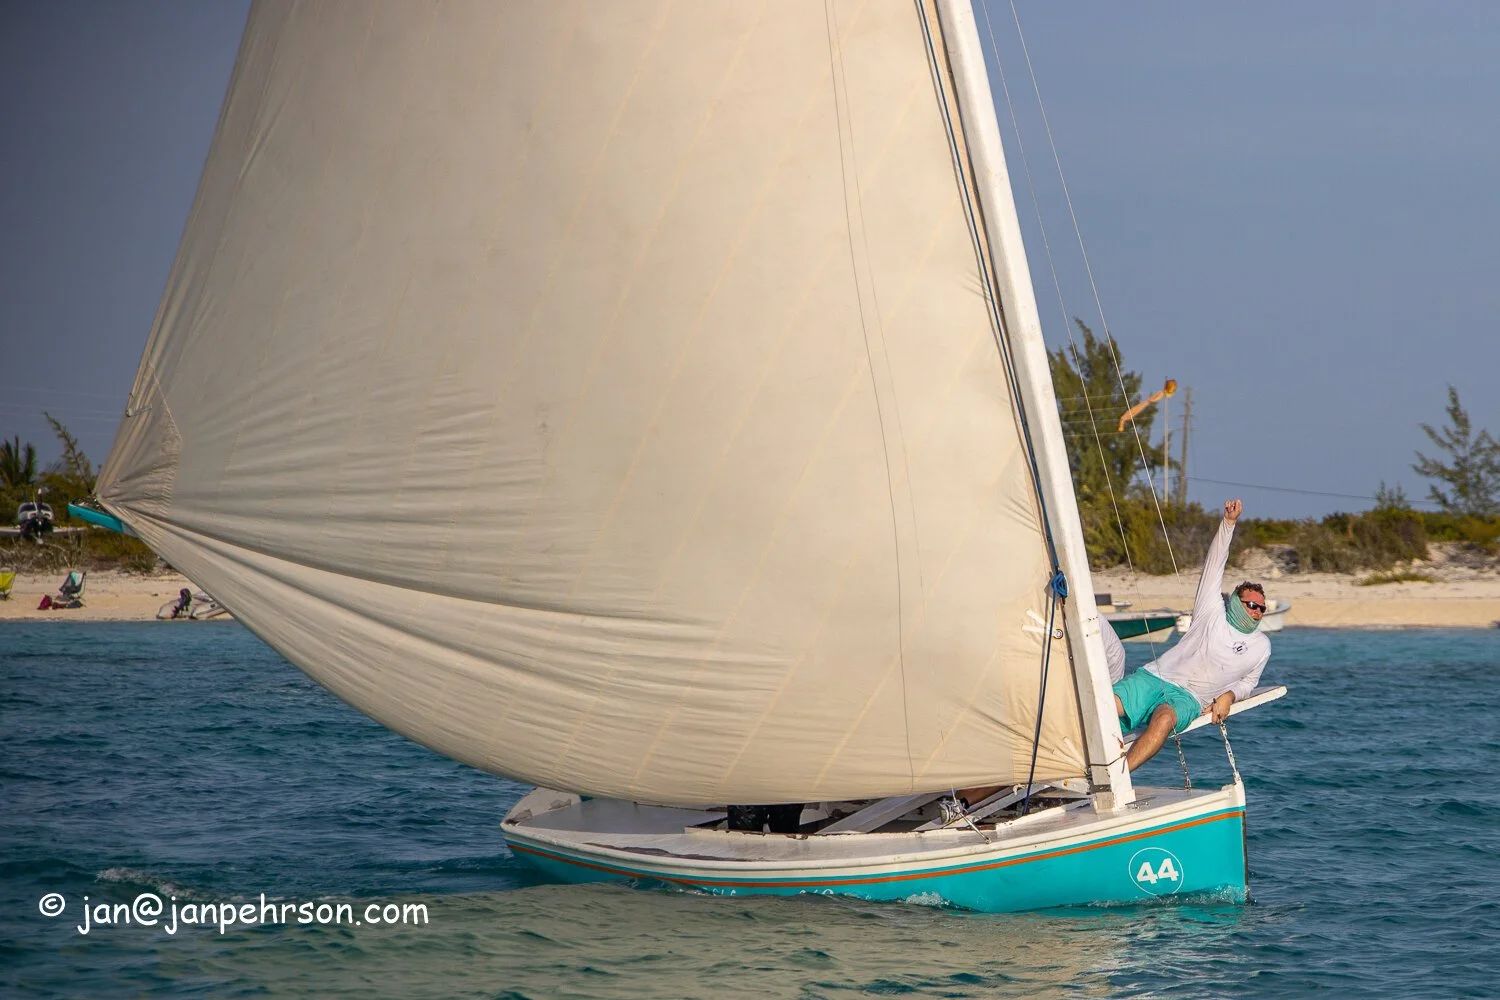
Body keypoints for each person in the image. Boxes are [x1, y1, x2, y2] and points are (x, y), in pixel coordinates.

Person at [1112, 498, 1270, 771]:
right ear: (1236, 601)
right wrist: (1228, 524)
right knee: (1104, 705)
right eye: (1252, 605)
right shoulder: (1211, 611)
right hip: (1156, 676)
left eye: (1262, 608)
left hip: (1189, 699)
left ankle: (1117, 778)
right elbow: (1214, 565)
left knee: (1163, 722)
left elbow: (1249, 682)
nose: (1257, 611)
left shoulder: (1261, 646)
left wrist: (1229, 696)